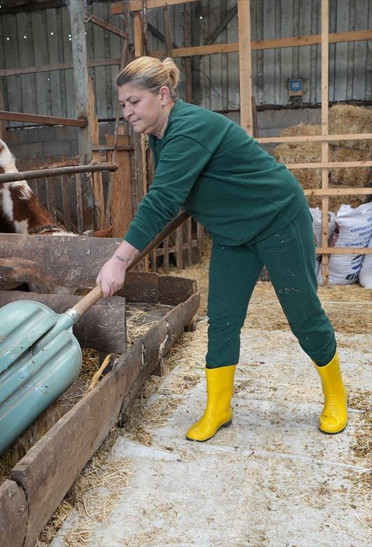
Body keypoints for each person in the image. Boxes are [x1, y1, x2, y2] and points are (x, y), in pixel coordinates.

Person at [95, 56, 347, 441]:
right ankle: (219, 407)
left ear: (163, 95)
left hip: (277, 217)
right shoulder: (158, 137)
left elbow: (161, 199)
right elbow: (179, 189)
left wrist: (119, 260)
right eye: (123, 105)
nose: (127, 112)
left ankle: (336, 395)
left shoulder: (189, 128)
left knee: (302, 312)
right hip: (233, 233)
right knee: (223, 319)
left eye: (134, 102)